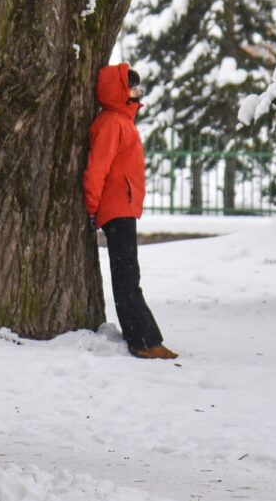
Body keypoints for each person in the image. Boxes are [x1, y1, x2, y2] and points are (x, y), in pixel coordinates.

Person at [83, 63, 179, 360]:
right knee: (127, 277)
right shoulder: (112, 122)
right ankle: (143, 341)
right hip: (116, 209)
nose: (137, 92)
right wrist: (91, 206)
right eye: (132, 86)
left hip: (123, 207)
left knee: (128, 274)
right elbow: (97, 168)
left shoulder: (122, 121)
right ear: (119, 91)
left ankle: (145, 338)